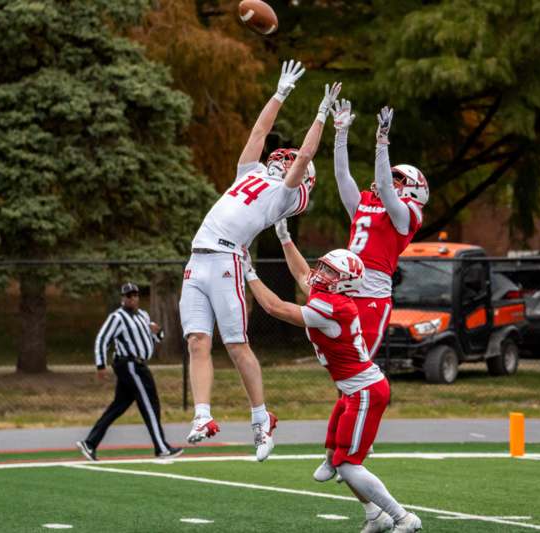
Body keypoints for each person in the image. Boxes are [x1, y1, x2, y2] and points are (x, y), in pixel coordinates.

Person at [179, 58, 341, 462]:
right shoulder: (249, 173)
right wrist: (279, 93)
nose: (282, 158)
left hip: (227, 260)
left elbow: (304, 158)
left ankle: (259, 416)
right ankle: (203, 416)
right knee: (197, 340)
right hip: (198, 258)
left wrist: (320, 116)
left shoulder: (286, 194)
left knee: (236, 345)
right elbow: (259, 131)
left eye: (288, 160)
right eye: (281, 157)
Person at [283, 101, 428, 489]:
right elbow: (342, 175)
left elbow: (382, 185)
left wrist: (382, 142)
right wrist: (341, 132)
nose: (390, 183)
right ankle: (342, 445)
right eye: (393, 178)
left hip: (373, 299)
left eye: (399, 180)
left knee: (355, 371)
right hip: (345, 291)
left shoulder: (407, 216)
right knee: (339, 369)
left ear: (412, 190)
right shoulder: (369, 204)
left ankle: (343, 449)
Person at [242, 250, 422, 533]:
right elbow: (302, 274)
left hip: (365, 390)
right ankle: (374, 513)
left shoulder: (334, 307)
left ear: (345, 283)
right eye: (323, 267)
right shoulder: (327, 296)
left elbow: (275, 308)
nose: (321, 274)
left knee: (349, 464)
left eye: (330, 272)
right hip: (352, 390)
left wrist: (249, 273)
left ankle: (403, 518)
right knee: (335, 453)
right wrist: (284, 237)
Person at [76, 282, 182, 461]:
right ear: (123, 298)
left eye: (135, 295)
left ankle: (90, 443)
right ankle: (161, 447)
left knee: (119, 405)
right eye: (129, 296)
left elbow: (154, 337)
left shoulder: (143, 315)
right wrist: (100, 364)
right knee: (150, 403)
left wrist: (159, 332)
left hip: (139, 364)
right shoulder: (117, 317)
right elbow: (102, 339)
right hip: (130, 364)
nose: (132, 298)